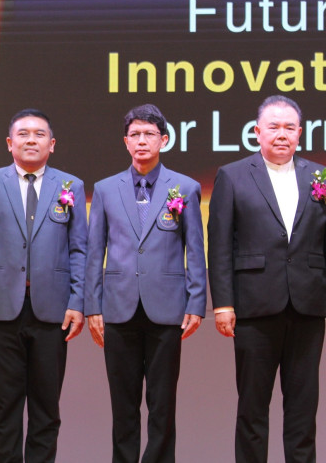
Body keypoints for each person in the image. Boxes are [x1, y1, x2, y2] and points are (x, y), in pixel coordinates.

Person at [84, 104, 206, 463]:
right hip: (118, 308)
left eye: (149, 134)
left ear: (163, 140)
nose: (142, 141)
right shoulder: (105, 189)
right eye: (135, 134)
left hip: (167, 309)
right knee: (123, 407)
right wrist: (92, 305)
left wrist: (196, 303)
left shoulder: (185, 187)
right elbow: (94, 252)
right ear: (125, 141)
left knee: (162, 405)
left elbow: (195, 249)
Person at [208, 95, 326, 463]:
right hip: (254, 306)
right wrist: (223, 304)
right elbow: (220, 244)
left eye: (289, 127)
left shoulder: (319, 176)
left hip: (308, 306)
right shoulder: (232, 175)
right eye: (273, 127)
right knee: (253, 409)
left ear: (300, 133)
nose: (281, 134)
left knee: (303, 411)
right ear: (257, 132)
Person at [0, 108, 87, 463]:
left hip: (53, 312)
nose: (31, 140)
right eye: (23, 134)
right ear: (9, 143)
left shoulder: (71, 186)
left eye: (39, 134)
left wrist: (77, 301)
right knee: (4, 407)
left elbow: (79, 249)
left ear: (52, 144)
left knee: (46, 408)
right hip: (0, 311)